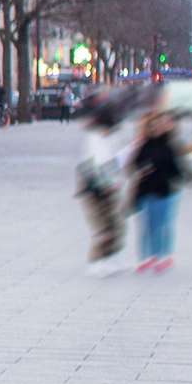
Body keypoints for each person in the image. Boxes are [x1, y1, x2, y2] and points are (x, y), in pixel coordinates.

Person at [128, 104, 192, 273]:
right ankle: (146, 257)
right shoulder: (144, 145)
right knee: (147, 225)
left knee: (162, 224)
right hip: (145, 190)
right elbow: (134, 163)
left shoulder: (169, 145)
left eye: (162, 124)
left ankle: (162, 255)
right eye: (154, 126)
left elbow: (176, 167)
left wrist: (185, 177)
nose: (158, 128)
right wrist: (142, 169)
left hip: (164, 190)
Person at [78, 99, 129, 275]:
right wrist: (107, 183)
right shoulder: (95, 138)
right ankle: (97, 261)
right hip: (94, 186)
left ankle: (111, 256)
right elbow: (97, 164)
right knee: (103, 225)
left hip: (108, 184)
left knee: (115, 223)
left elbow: (114, 160)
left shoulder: (110, 136)